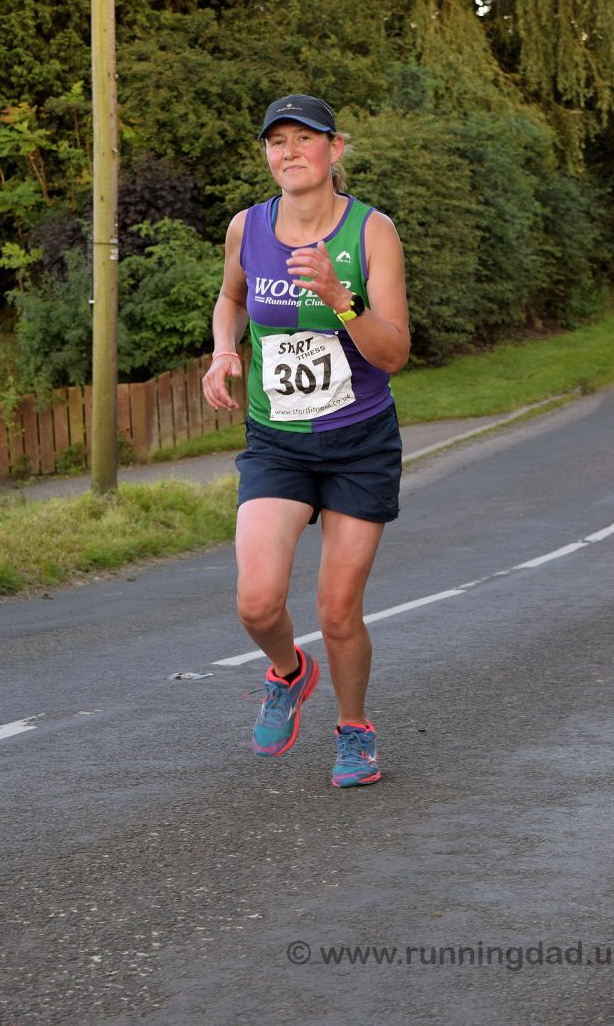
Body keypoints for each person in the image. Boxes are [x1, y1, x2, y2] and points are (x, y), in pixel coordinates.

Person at [202, 94, 410, 788]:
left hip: (358, 442)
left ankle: (354, 730)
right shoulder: (247, 228)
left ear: (335, 149)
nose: (288, 152)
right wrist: (222, 351)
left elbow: (395, 352)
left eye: (303, 138)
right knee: (257, 601)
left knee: (337, 609)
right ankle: (290, 673)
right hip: (277, 442)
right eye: (276, 141)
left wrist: (339, 296)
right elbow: (231, 299)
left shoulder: (372, 233)